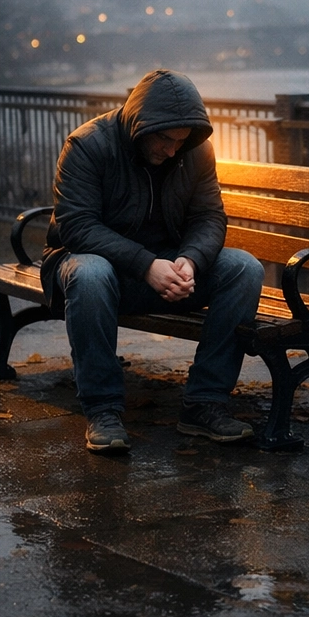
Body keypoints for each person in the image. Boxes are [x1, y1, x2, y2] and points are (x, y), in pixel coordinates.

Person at [41, 69, 264, 452]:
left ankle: (204, 404)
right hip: (95, 268)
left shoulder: (195, 149)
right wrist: (146, 264)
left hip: (168, 269)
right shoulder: (87, 145)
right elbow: (77, 227)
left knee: (245, 268)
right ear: (140, 126)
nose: (173, 151)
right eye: (166, 140)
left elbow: (209, 216)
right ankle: (103, 410)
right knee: (91, 273)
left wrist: (190, 261)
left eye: (181, 142)